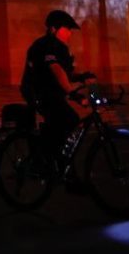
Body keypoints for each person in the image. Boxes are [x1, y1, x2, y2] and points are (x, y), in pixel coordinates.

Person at [20, 10, 91, 174]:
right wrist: (73, 93)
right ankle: (46, 158)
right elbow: (56, 69)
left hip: (53, 93)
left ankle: (54, 158)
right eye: (66, 29)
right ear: (53, 29)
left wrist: (82, 77)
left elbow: (67, 74)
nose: (70, 33)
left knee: (64, 123)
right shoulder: (46, 45)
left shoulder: (63, 49)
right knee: (69, 118)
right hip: (37, 92)